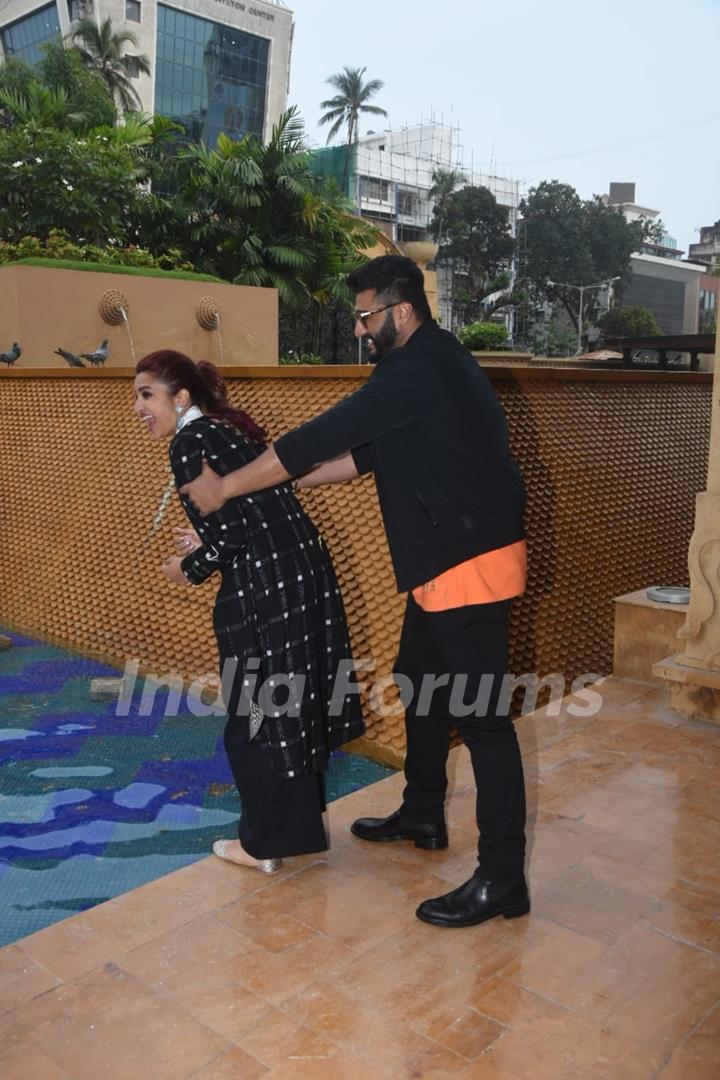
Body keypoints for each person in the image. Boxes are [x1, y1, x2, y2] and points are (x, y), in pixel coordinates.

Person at [182, 255, 529, 927]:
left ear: (401, 312)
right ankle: (425, 811)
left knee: (484, 720)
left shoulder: (420, 368)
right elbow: (356, 459)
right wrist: (269, 481)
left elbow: (319, 438)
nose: (361, 328)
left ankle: (503, 877)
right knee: (416, 677)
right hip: (443, 558)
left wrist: (226, 486)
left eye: (367, 316)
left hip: (471, 561)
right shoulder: (421, 370)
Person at [133, 350, 364, 875]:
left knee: (254, 719)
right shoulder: (225, 429)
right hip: (299, 580)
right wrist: (205, 535)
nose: (138, 407)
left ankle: (261, 844)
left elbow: (233, 533)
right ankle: (286, 834)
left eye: (147, 394)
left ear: (181, 397)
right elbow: (258, 507)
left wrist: (187, 566)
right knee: (286, 708)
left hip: (267, 595)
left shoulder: (190, 442)